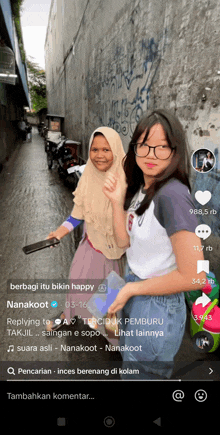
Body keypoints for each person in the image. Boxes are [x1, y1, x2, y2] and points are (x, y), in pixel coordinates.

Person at [102, 110, 207, 379]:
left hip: (156, 305)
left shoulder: (172, 195)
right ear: (134, 146)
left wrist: (132, 289)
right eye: (144, 145)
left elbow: (196, 276)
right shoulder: (144, 188)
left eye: (162, 147)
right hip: (138, 291)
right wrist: (116, 202)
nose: (151, 154)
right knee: (133, 370)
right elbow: (124, 242)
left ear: (175, 151)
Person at [46, 126, 126, 341]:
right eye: (95, 149)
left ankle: (113, 339)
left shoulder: (127, 182)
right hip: (89, 246)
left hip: (115, 254)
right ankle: (68, 316)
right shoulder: (88, 175)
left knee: (109, 300)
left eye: (106, 150)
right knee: (76, 284)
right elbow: (76, 215)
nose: (99, 155)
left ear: (116, 150)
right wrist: (59, 233)